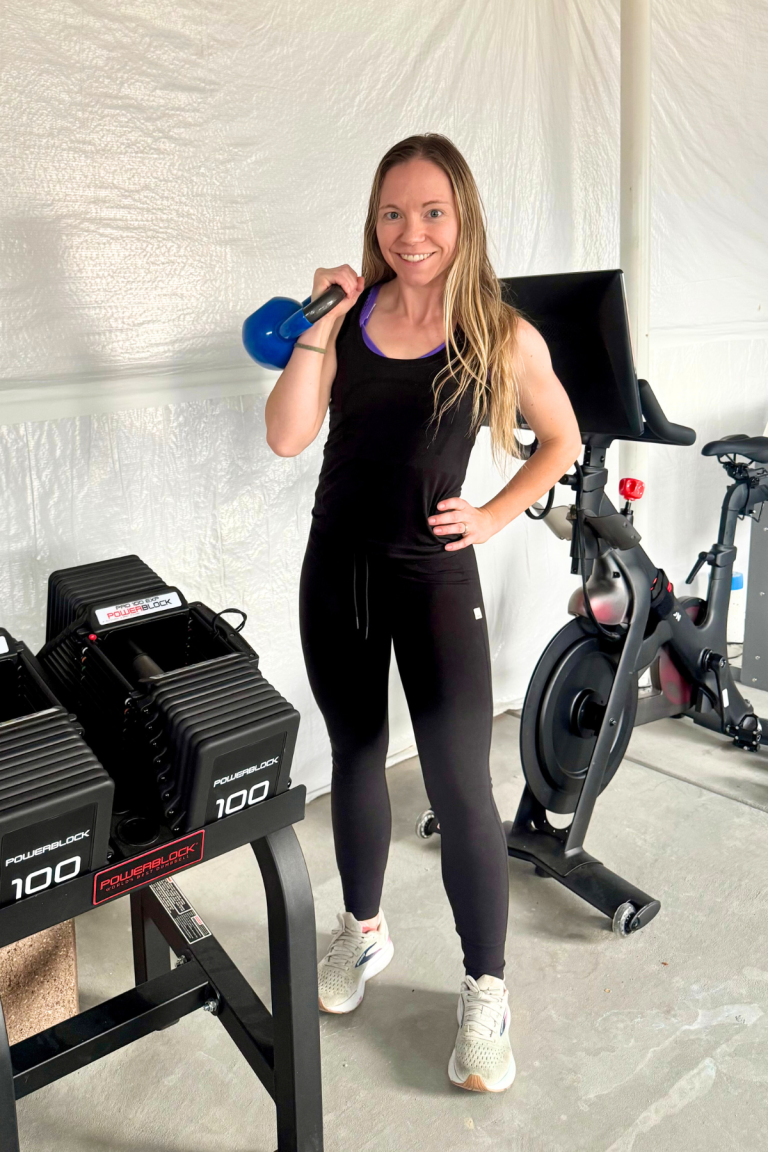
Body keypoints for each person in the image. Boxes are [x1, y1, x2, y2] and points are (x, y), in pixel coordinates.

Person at [265, 133, 581, 1094]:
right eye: (392, 213)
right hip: (339, 574)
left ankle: (485, 992)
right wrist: (320, 320)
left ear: (463, 219)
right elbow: (287, 437)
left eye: (432, 212)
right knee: (355, 754)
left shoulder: (500, 333)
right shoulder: (347, 319)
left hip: (435, 582)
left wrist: (490, 514)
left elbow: (560, 439)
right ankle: (361, 934)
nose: (411, 232)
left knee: (457, 787)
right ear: (374, 221)